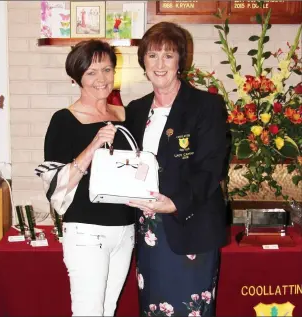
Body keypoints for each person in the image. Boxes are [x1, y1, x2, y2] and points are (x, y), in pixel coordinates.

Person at [125, 22, 230, 316]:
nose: (160, 64)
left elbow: (211, 167)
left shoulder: (205, 106)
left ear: (180, 61)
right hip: (148, 231)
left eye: (168, 56)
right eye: (152, 55)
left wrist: (174, 203)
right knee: (152, 309)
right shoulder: (134, 110)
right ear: (143, 61)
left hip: (190, 225)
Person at [36, 40, 135, 316]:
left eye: (106, 69)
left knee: (108, 309)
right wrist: (92, 147)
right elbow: (54, 184)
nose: (101, 79)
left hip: (125, 230)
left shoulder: (126, 116)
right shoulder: (64, 120)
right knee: (88, 311)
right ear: (76, 77)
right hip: (86, 232)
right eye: (91, 72)